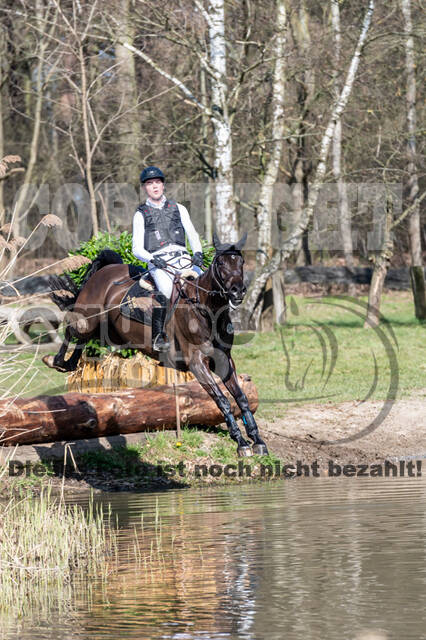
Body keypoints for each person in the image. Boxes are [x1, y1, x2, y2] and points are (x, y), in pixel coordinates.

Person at [132, 166, 204, 353]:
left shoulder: (179, 208)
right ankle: (159, 335)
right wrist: (153, 259)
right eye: (150, 184)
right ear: (145, 188)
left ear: (163, 185)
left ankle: (221, 325)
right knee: (165, 290)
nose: (154, 187)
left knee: (206, 283)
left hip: (183, 257)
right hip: (159, 261)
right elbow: (136, 248)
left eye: (157, 182)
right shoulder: (141, 214)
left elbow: (193, 234)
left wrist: (197, 252)